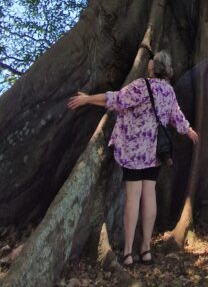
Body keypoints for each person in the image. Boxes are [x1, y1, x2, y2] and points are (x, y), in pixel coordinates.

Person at [67, 50, 198, 267]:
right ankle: (146, 250)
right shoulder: (168, 91)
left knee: (132, 199)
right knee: (149, 196)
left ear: (152, 67)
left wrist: (86, 99)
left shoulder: (141, 86)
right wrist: (189, 130)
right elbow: (177, 117)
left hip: (134, 151)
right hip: (155, 153)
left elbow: (114, 99)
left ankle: (128, 253)